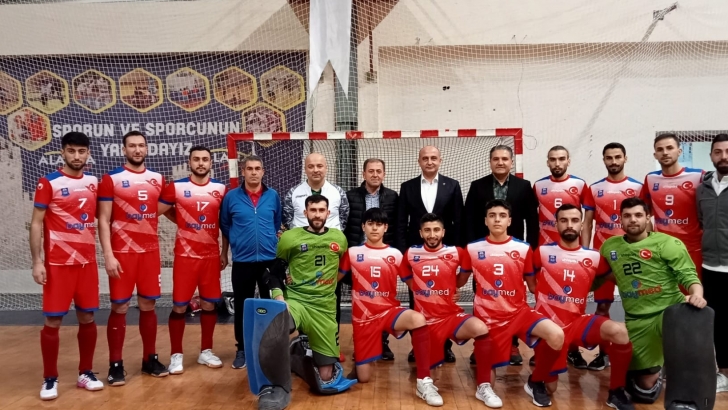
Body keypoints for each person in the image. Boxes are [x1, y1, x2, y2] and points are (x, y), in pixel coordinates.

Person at [526, 204, 635, 409]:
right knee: (551, 388)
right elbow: (525, 277)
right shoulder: (542, 252)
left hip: (577, 322)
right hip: (548, 327)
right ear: (556, 224)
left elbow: (620, 279)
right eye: (564, 220)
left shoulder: (593, 257)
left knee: (620, 332)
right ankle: (535, 381)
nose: (569, 225)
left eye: (574, 220)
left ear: (582, 224)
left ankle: (616, 391)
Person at [600, 198, 705, 403]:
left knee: (685, 363)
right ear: (620, 219)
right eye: (627, 216)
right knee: (643, 391)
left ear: (648, 218)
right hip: (637, 319)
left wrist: (697, 294)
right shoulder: (609, 247)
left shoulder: (668, 244)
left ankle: (672, 363)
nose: (633, 220)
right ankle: (658, 366)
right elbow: (597, 277)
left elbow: (689, 276)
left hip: (670, 313)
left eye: (638, 215)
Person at [463, 199, 564, 408]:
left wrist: (558, 295)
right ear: (485, 220)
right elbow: (458, 281)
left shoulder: (523, 248)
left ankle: (535, 380)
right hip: (488, 318)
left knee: (556, 335)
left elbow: (534, 286)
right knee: (487, 386)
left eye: (502, 216)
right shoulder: (472, 249)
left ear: (509, 220)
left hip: (519, 313)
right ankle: (482, 387)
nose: (497, 220)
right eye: (492, 216)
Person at [339, 208, 442, 406]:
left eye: (379, 224)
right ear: (363, 226)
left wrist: (442, 293)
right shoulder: (352, 253)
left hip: (389, 311)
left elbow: (414, 284)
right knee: (363, 378)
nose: (374, 228)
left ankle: (424, 380)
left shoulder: (395, 254)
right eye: (370, 224)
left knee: (417, 319)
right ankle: (363, 358)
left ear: (385, 228)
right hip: (363, 319)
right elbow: (334, 278)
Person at [256, 194, 351, 409]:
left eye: (321, 210)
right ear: (305, 212)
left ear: (328, 213)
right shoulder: (290, 237)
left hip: (324, 308)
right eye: (313, 210)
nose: (317, 215)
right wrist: (279, 298)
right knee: (278, 324)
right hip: (297, 301)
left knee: (325, 379)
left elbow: (343, 268)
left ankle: (297, 354)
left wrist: (327, 286)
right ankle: (277, 387)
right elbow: (273, 272)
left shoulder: (339, 239)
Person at [30, 132, 104, 400]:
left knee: (88, 318)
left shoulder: (94, 182)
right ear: (62, 152)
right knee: (53, 320)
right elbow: (36, 223)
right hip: (57, 264)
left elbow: (103, 218)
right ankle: (50, 378)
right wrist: (37, 261)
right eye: (71, 151)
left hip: (86, 264)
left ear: (88, 153)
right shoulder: (49, 182)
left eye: (81, 151)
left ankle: (86, 372)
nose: (76, 156)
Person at [399, 213, 494, 407]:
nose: (432, 234)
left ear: (443, 232)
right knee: (431, 374)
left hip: (450, 315)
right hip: (425, 321)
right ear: (420, 233)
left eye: (436, 230)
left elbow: (466, 270)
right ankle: (423, 384)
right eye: (427, 230)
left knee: (480, 328)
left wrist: (455, 286)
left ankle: (483, 386)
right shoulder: (411, 253)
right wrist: (414, 286)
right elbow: (403, 271)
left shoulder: (456, 252)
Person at [98, 131, 168, 384]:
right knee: (120, 307)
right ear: (124, 150)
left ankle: (150, 359)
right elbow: (103, 219)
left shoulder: (158, 179)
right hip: (122, 254)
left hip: (149, 253)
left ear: (147, 149)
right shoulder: (111, 179)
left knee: (149, 305)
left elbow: (166, 207)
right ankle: (115, 364)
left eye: (141, 146)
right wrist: (108, 255)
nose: (137, 150)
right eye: (132, 146)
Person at [464, 144, 540, 366]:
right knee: (482, 297)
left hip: (512, 254)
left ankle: (512, 345)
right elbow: (469, 219)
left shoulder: (523, 186)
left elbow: (532, 221)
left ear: (511, 162)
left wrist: (531, 249)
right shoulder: (477, 186)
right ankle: (480, 344)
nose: (500, 162)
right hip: (484, 254)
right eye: (496, 159)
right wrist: (472, 250)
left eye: (504, 159)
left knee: (512, 299)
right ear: (490, 162)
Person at [158, 146, 227, 374]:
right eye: (196, 159)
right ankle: (176, 355)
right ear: (189, 162)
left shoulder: (220, 189)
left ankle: (206, 351)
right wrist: (181, 220)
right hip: (185, 257)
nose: (200, 163)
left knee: (209, 304)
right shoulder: (177, 187)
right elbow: (159, 210)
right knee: (180, 305)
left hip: (210, 257)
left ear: (211, 163)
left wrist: (224, 253)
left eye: (205, 159)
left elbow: (225, 223)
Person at [397, 146, 463, 363]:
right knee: (417, 300)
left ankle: (445, 346)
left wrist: (454, 253)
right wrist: (405, 253)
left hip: (444, 254)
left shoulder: (452, 185)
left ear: (440, 160)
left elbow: (458, 221)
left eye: (434, 158)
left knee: (443, 301)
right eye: (425, 158)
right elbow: (401, 222)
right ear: (419, 161)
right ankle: (418, 346)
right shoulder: (407, 187)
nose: (429, 161)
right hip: (417, 253)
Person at [532, 145, 595, 368]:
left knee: (573, 304)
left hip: (572, 254)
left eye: (561, 159)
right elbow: (532, 219)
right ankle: (542, 347)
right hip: (546, 253)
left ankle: (573, 349)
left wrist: (583, 251)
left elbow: (586, 221)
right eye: (553, 159)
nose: (557, 163)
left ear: (568, 161)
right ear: (547, 162)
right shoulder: (538, 186)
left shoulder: (580, 184)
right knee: (544, 303)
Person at [219, 155, 282, 369]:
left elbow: (276, 223)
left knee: (270, 306)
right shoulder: (231, 197)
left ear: (263, 171)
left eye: (257, 168)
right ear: (243, 172)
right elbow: (225, 225)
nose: (253, 172)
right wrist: (229, 248)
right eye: (249, 168)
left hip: (269, 261)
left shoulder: (273, 196)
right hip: (242, 261)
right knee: (243, 307)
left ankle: (269, 349)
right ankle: (242, 350)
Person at [588, 142, 644, 370]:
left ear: (625, 158)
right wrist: (587, 253)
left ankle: (640, 354)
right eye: (609, 157)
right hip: (603, 258)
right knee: (602, 307)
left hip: (631, 256)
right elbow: (587, 224)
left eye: (617, 157)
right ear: (604, 160)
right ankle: (604, 354)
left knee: (639, 306)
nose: (613, 161)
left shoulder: (638, 187)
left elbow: (646, 223)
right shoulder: (594, 188)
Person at [343, 158, 399, 360]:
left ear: (384, 174)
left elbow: (397, 226)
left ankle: (382, 343)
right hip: (359, 259)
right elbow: (346, 226)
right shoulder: (350, 196)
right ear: (363, 174)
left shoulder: (393, 196)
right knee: (362, 304)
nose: (375, 174)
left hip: (383, 259)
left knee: (383, 301)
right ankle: (362, 343)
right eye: (371, 171)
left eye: (378, 171)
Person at [640, 133, 704, 279]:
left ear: (679, 151)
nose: (665, 152)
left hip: (692, 249)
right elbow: (645, 214)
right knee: (666, 292)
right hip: (661, 250)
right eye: (660, 149)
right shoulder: (650, 178)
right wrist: (649, 242)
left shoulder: (698, 176)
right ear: (655, 155)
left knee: (692, 291)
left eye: (669, 148)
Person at [696, 133, 728, 393]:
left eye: (727, 152)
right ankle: (722, 374)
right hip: (711, 267)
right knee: (718, 323)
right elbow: (702, 221)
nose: (723, 157)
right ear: (711, 156)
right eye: (718, 152)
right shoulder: (703, 189)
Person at [283, 152, 349, 231]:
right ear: (305, 169)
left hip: (331, 238)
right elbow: (287, 219)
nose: (315, 170)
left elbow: (344, 218)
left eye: (319, 166)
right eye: (310, 167)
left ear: (326, 168)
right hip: (300, 238)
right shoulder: (293, 192)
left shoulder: (338, 192)